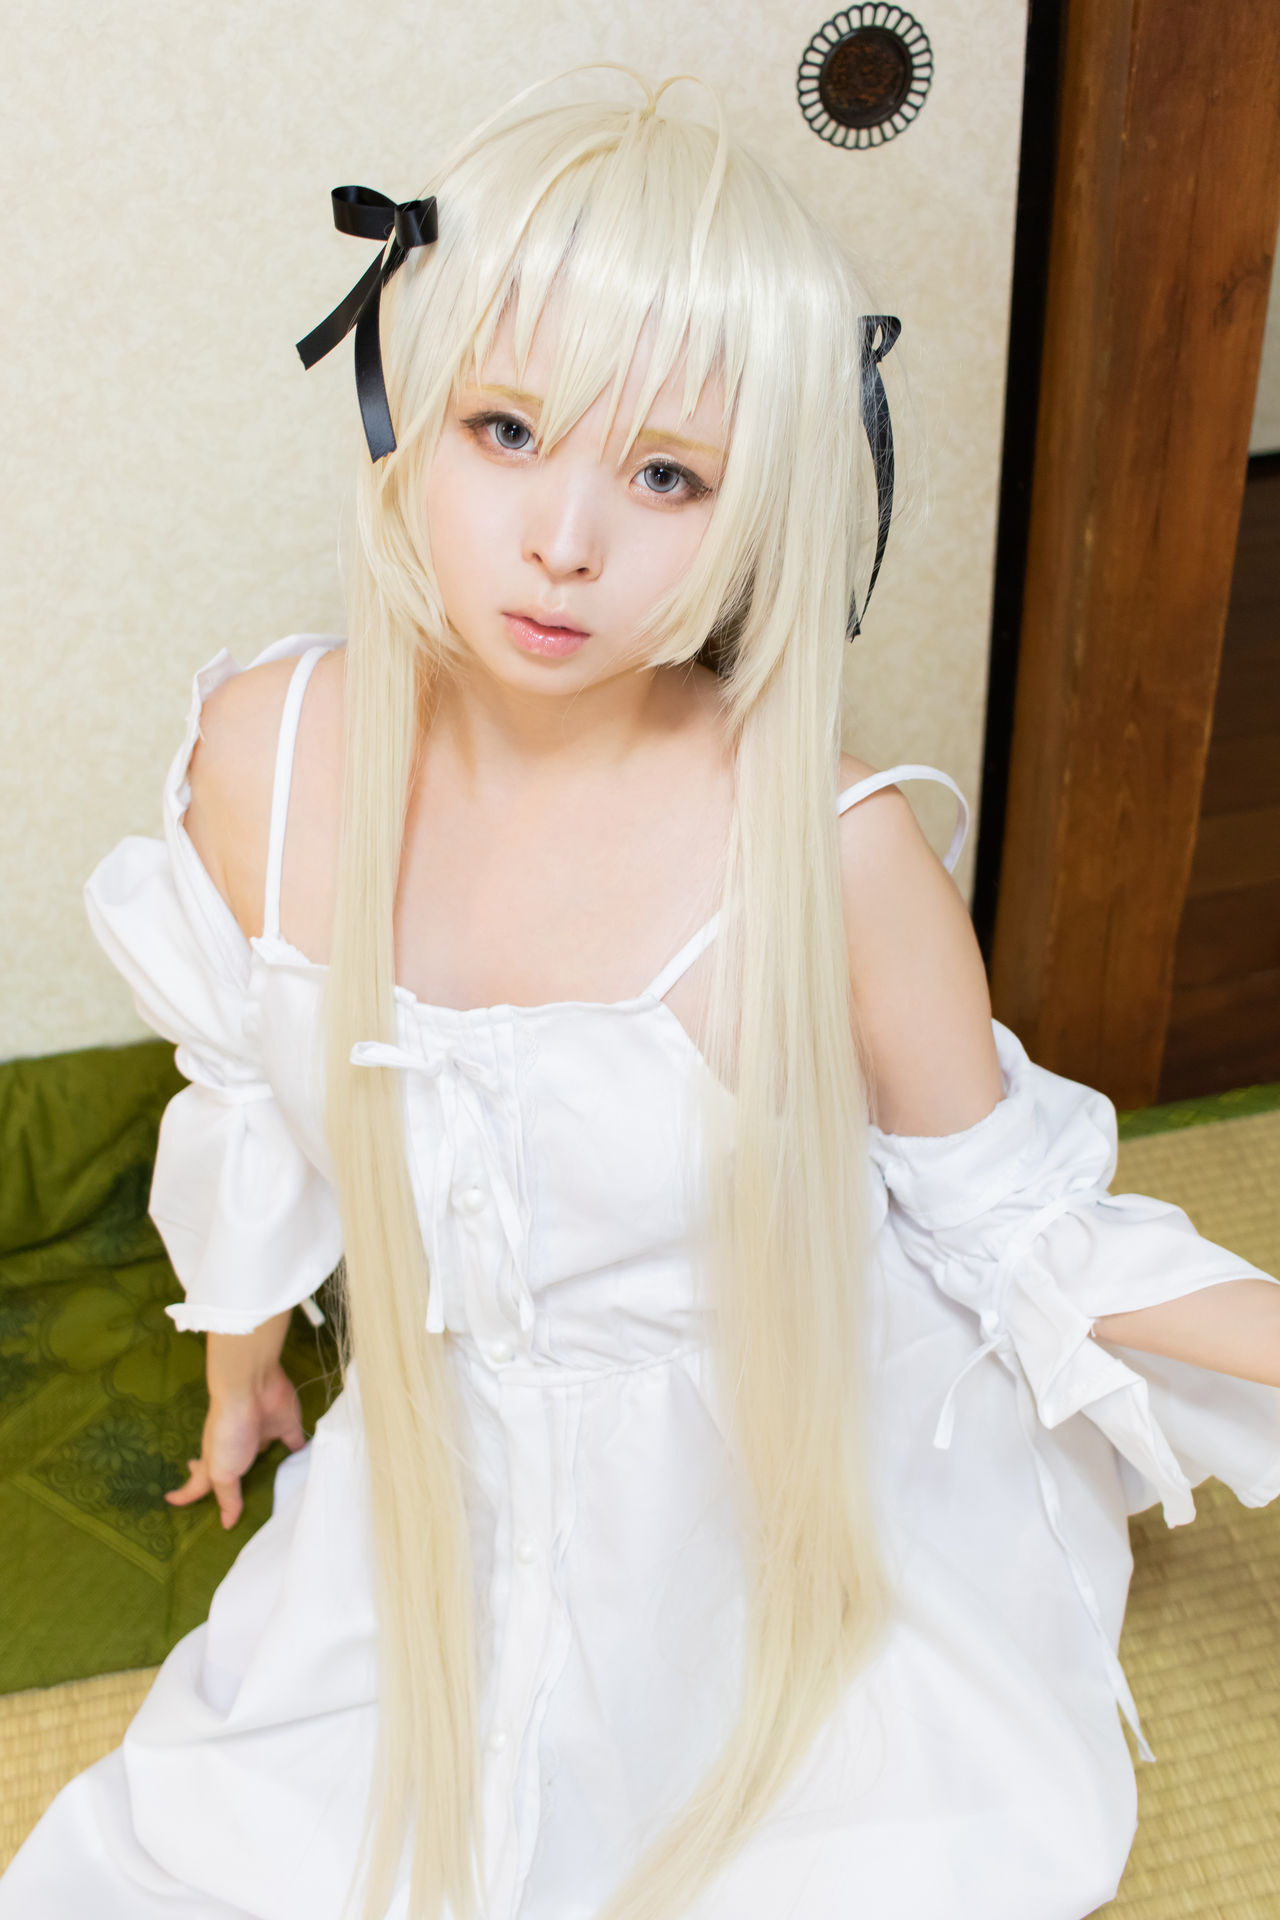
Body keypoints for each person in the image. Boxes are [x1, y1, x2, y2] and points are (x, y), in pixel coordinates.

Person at [4, 72, 1278, 1920]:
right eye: (507, 428)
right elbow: (258, 1093)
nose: (566, 539)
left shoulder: (833, 854)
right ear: (405, 404)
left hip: (776, 1489)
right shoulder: (264, 757)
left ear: (760, 502)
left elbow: (1025, 1228)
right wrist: (242, 1359)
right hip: (437, 1480)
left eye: (666, 473)